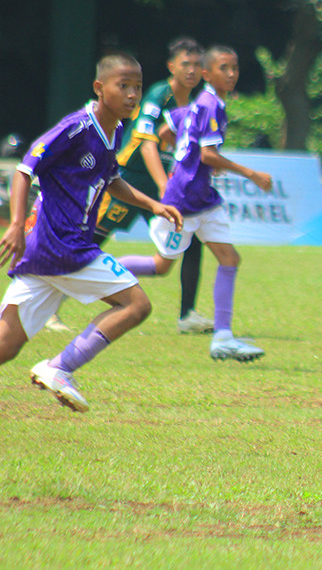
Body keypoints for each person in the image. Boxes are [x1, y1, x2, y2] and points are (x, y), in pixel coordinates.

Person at [0, 53, 183, 412]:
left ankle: (58, 368)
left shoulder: (111, 130)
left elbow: (111, 181)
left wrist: (154, 205)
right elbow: (24, 170)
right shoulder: (77, 127)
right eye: (123, 86)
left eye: (138, 88)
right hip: (63, 247)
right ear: (100, 88)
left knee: (5, 345)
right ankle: (59, 368)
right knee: (136, 305)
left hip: (46, 253)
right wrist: (17, 224)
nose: (132, 94)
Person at [115, 46, 273, 362]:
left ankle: (223, 338)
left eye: (235, 68)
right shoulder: (211, 105)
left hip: (202, 198)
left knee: (229, 258)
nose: (231, 74)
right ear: (208, 75)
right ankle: (96, 267)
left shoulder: (197, 105)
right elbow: (208, 154)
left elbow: (165, 131)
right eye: (224, 68)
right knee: (161, 267)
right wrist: (251, 173)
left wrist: (181, 154)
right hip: (185, 200)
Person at [93, 37, 212, 335]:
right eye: (186, 64)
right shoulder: (160, 94)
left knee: (189, 239)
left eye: (197, 65)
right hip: (129, 176)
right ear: (172, 66)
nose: (192, 70)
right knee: (90, 241)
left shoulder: (195, 103)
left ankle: (187, 316)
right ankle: (50, 302)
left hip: (159, 180)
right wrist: (164, 187)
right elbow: (147, 144)